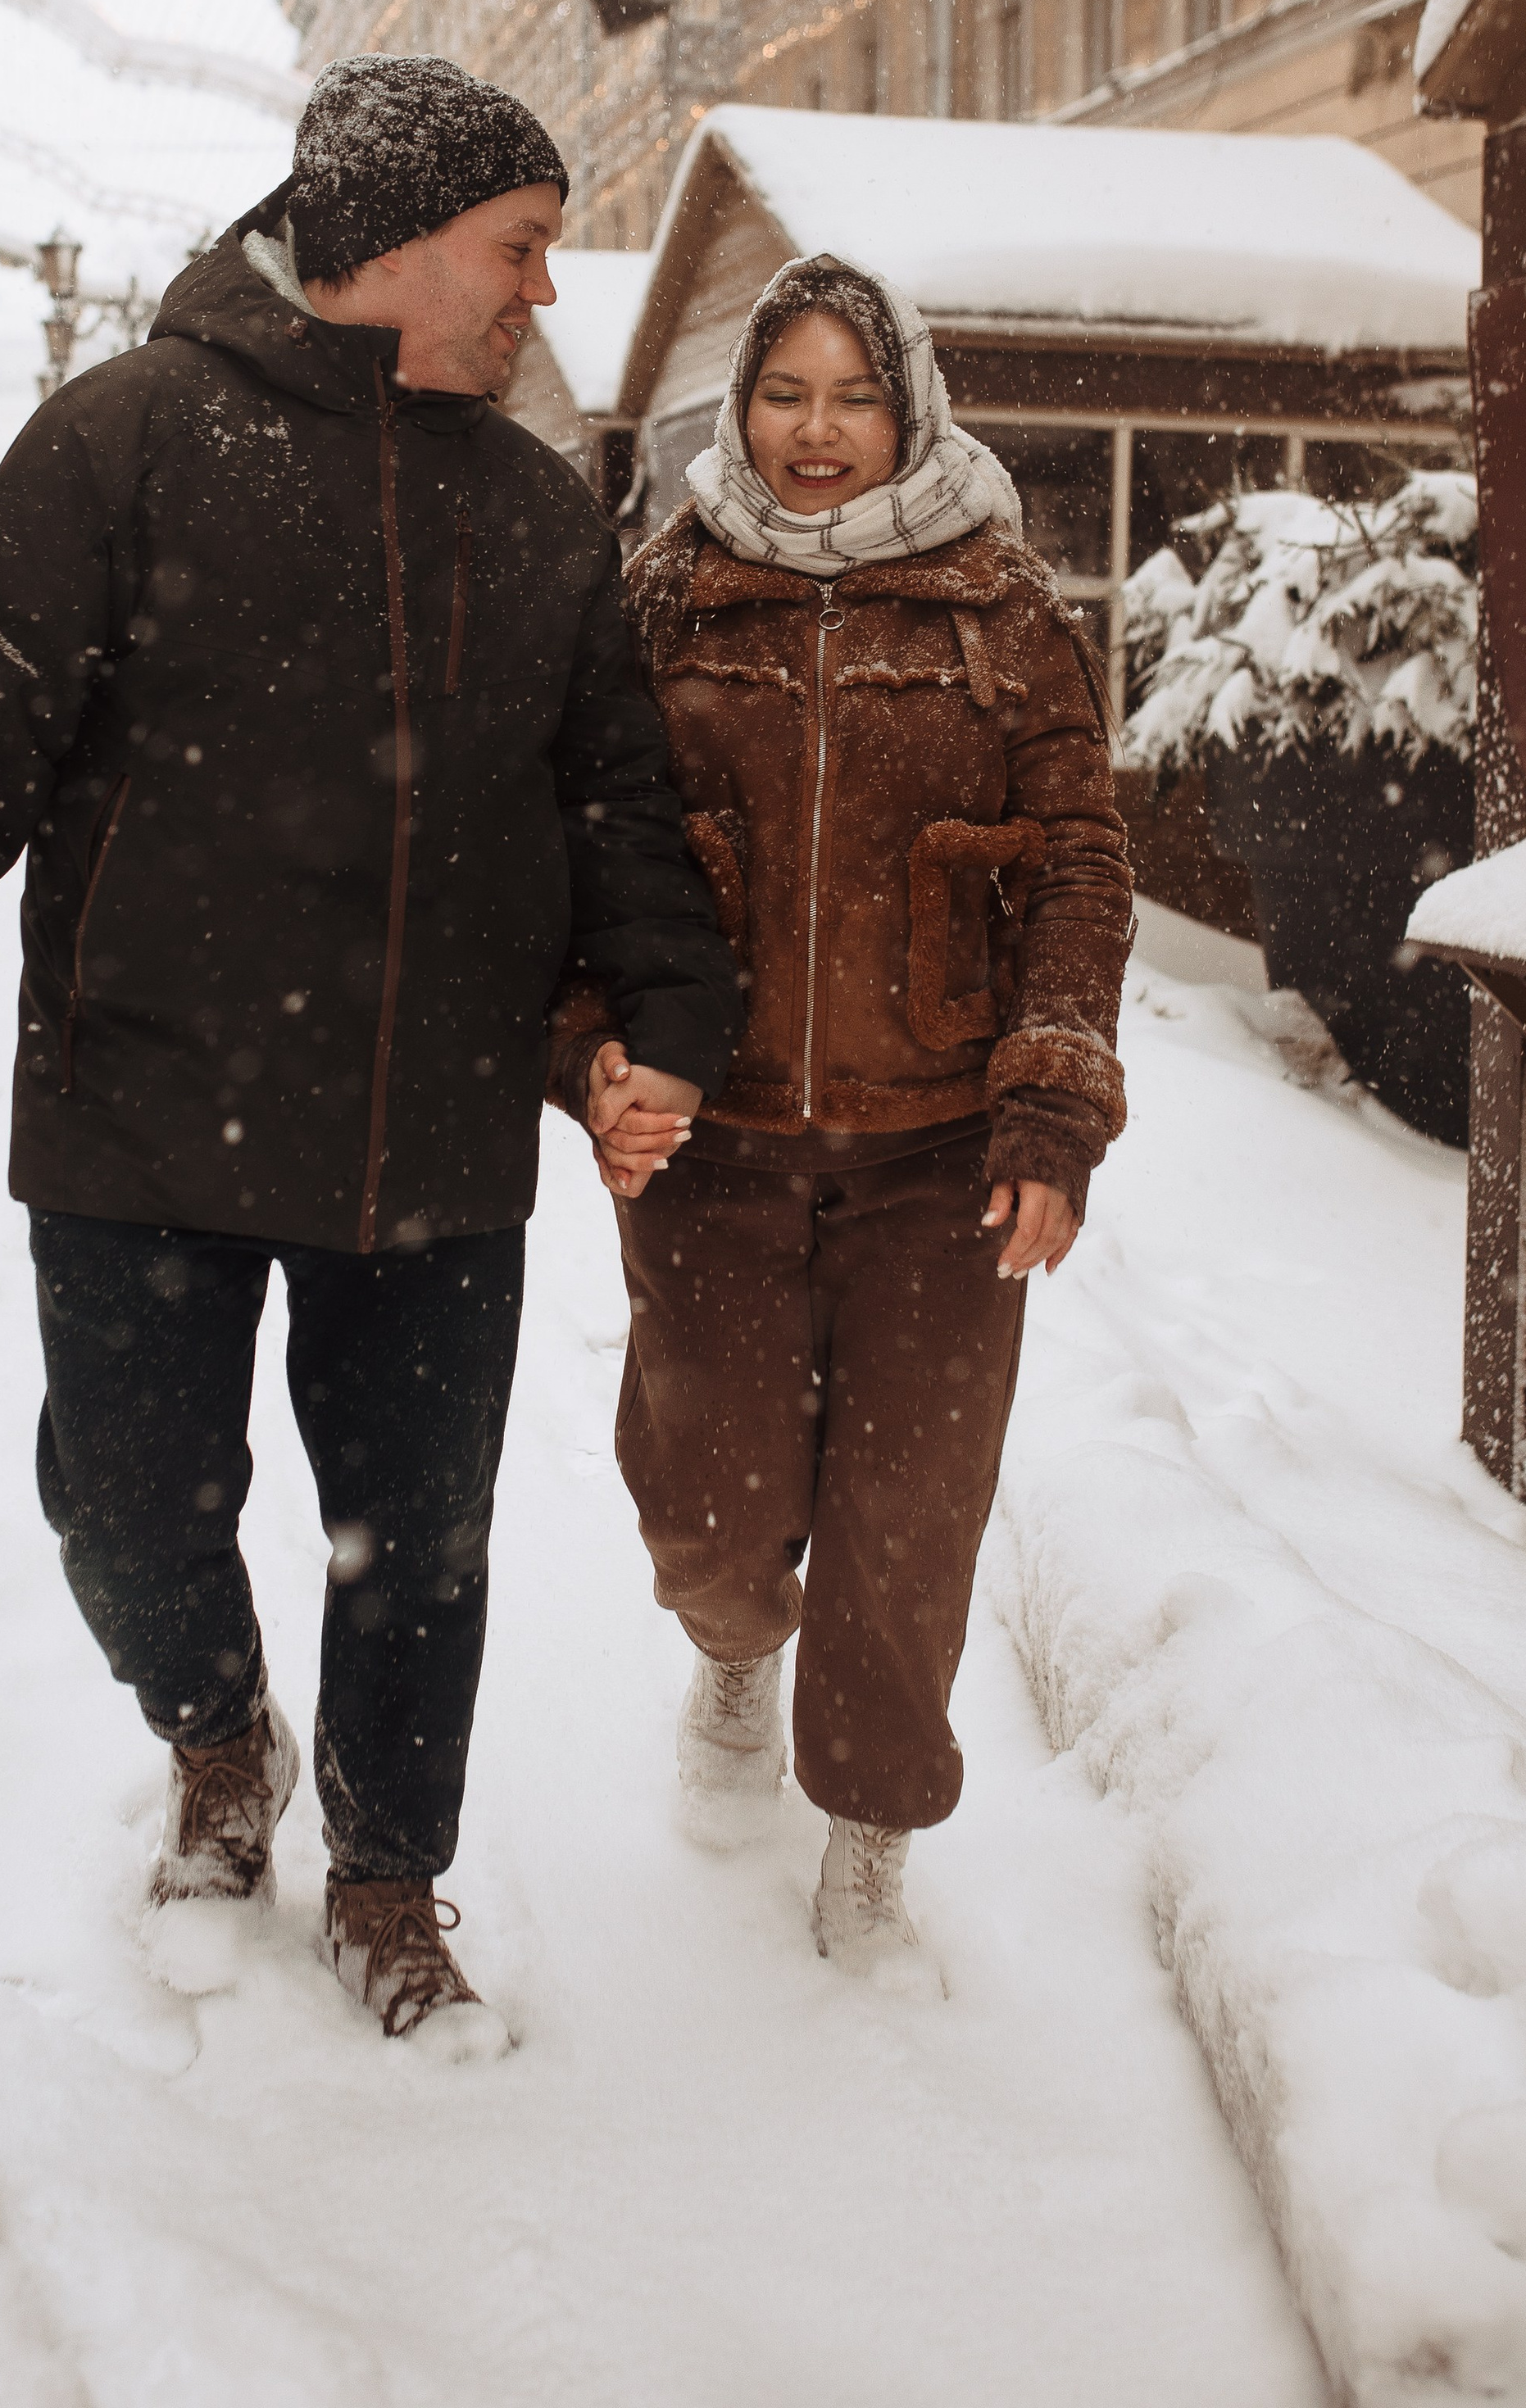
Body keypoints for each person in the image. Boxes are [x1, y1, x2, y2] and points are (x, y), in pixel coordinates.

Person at [0, 56, 740, 2053]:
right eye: (518, 249)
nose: (540, 295)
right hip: (146, 1104)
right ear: (395, 244)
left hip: (430, 1127)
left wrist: (660, 1024)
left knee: (422, 1536)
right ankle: (217, 1724)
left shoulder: (529, 508)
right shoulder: (119, 444)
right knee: (124, 1504)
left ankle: (391, 1874)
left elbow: (614, 807)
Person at [557, 255, 1130, 1992]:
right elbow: (576, 852)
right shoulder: (658, 604)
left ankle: (871, 1834)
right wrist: (586, 1050)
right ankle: (734, 1650)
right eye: (784, 395)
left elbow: (1080, 865)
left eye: (851, 396)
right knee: (711, 1518)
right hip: (710, 1156)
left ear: (910, 407)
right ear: (739, 408)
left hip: (938, 1163)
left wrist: (1048, 1104)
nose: (817, 433)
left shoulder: (1003, 614)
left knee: (906, 1523)